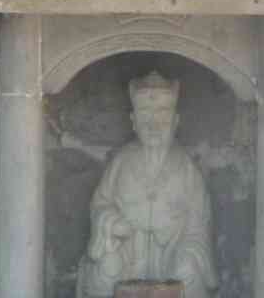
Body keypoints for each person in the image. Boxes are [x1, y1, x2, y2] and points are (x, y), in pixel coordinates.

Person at [78, 71, 218, 298]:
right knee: (106, 268)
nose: (153, 124)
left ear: (175, 121)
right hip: (128, 255)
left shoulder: (185, 167)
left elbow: (199, 222)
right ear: (133, 122)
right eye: (145, 114)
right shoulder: (122, 161)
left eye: (162, 114)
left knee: (189, 271)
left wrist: (179, 238)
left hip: (172, 254)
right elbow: (100, 204)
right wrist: (113, 225)